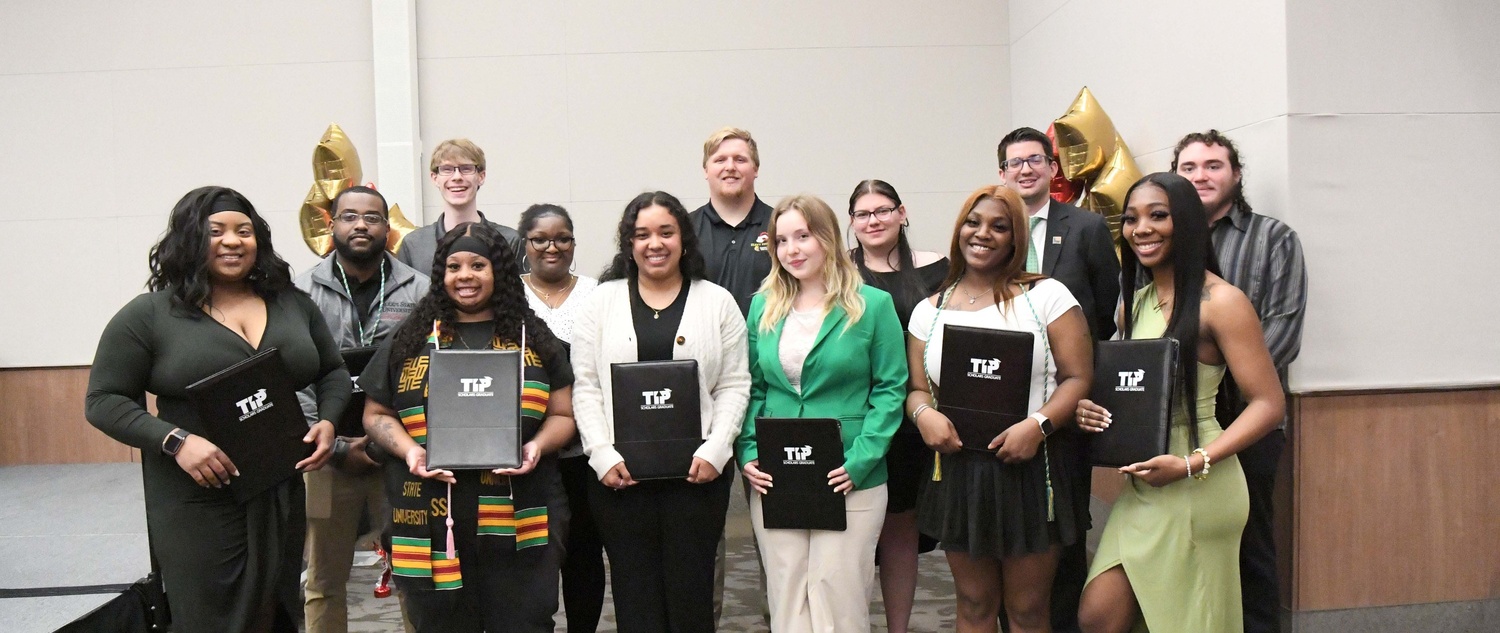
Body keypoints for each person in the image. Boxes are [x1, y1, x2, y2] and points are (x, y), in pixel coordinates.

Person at [85, 186, 347, 633]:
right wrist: (174, 441)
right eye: (216, 232)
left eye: (244, 231)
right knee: (210, 615)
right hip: (196, 496)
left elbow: (333, 372)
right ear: (189, 240)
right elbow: (103, 400)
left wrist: (327, 420)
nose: (232, 241)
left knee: (276, 607)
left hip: (278, 488)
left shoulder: (291, 302)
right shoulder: (150, 315)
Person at [1074, 173, 1285, 633]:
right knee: (1099, 614)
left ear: (1186, 222)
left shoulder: (1223, 302)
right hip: (1148, 483)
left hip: (1200, 481)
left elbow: (1269, 404)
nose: (1141, 229)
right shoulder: (1135, 304)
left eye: (1158, 215)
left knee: (1190, 622)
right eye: (1130, 219)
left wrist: (1192, 463)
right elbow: (1131, 389)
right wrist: (1091, 407)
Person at [359, 222, 576, 632]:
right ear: (441, 274)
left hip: (521, 509)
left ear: (499, 271)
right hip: (428, 512)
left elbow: (564, 415)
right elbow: (376, 414)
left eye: (478, 265)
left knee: (524, 622)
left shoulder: (534, 336)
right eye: (454, 266)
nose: (465, 276)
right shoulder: (412, 336)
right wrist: (410, 450)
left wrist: (537, 447)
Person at [905, 185, 1094, 633]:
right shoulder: (927, 311)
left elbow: (1078, 378)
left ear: (1015, 238)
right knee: (973, 604)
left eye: (999, 226)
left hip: (1031, 468)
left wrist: (1038, 425)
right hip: (958, 471)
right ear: (958, 231)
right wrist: (923, 415)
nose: (982, 233)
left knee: (1027, 609)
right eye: (973, 222)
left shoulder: (1047, 297)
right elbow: (916, 389)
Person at [571, 191, 751, 633]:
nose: (655, 243)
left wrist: (717, 449)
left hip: (698, 477)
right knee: (635, 598)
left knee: (692, 596)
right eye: (642, 234)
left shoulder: (718, 302)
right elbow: (586, 387)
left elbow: (733, 384)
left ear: (684, 240)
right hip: (620, 479)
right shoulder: (599, 302)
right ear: (628, 244)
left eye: (666, 232)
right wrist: (602, 455)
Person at [736, 194, 906, 632]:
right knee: (787, 591)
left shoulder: (873, 304)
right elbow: (752, 386)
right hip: (778, 471)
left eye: (803, 236)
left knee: (838, 594)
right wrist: (749, 452)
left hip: (849, 470)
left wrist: (862, 460)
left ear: (827, 238)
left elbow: (891, 389)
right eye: (781, 240)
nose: (791, 249)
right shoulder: (763, 305)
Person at [1173, 130, 1306, 633]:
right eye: (1189, 167)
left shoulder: (1273, 239)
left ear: (1236, 174)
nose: (1201, 176)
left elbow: (1283, 331)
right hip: (1178, 424)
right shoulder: (1162, 243)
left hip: (1248, 422)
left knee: (1250, 549)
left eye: (1213, 165)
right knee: (1183, 545)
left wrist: (1211, 390)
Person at [998, 126, 1122, 632]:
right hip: (1005, 402)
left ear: (1053, 169)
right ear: (1001, 173)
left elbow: (1106, 312)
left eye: (1035, 160)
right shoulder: (994, 226)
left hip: (1067, 405)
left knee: (1065, 528)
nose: (1025, 169)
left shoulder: (1086, 228)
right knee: (1010, 532)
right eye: (1014, 162)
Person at [295, 186, 429, 633]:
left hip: (400, 453)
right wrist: (329, 441)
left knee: (416, 575)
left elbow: (429, 372)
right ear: (330, 224)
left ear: (386, 229)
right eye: (349, 216)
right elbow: (293, 376)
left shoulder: (419, 288)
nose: (360, 225)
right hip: (325, 454)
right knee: (324, 580)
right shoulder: (300, 291)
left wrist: (391, 444)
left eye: (372, 218)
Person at [845, 179, 948, 633]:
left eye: (883, 210)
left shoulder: (940, 269)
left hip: (912, 420)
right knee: (850, 534)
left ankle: (898, 628)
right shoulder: (836, 272)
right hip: (853, 419)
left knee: (901, 528)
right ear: (851, 222)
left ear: (902, 213)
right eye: (863, 214)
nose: (874, 220)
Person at [516, 203, 603, 633]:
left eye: (562, 238)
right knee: (535, 554)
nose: (553, 246)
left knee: (585, 551)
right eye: (541, 239)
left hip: (587, 448)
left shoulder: (598, 293)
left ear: (573, 243)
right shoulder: (509, 295)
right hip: (528, 448)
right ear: (524, 244)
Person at [396, 138, 526, 272]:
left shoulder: (509, 240)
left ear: (481, 176)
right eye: (447, 169)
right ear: (435, 178)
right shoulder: (413, 244)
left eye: (466, 168)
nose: (457, 177)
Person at [689, 126, 774, 316]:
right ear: (706, 170)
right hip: (704, 344)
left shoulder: (779, 226)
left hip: (765, 342)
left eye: (740, 159)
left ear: (756, 168)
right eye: (720, 160)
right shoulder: (685, 229)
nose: (730, 167)